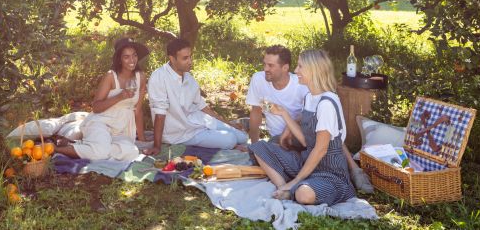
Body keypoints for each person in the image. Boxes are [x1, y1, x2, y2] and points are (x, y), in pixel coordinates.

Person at [249, 49, 356, 206]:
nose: (296, 70)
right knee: (258, 147)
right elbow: (306, 143)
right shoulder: (309, 97)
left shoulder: (327, 103)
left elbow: (320, 150)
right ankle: (282, 188)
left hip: (330, 172)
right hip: (306, 161)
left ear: (313, 70)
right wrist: (283, 113)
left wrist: (297, 180)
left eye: (300, 67)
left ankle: (292, 187)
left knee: (303, 194)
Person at [143, 37, 248, 155]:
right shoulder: (159, 77)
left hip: (198, 120)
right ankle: (228, 142)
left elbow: (203, 107)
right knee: (231, 139)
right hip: (179, 133)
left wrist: (229, 123)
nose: (190, 61)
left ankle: (227, 137)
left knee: (243, 137)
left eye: (190, 56)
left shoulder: (189, 78)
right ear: (172, 59)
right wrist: (157, 146)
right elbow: (160, 114)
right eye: (185, 58)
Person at [55, 37, 148, 161]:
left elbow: (138, 110)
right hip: (101, 123)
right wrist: (119, 97)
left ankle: (79, 146)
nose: (132, 60)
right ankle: (54, 148)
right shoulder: (111, 76)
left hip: (122, 129)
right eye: (126, 57)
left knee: (132, 152)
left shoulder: (140, 77)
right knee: (101, 152)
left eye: (134, 55)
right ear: (119, 60)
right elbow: (96, 107)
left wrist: (141, 138)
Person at [246, 45, 308, 149]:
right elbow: (256, 111)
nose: (265, 69)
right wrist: (254, 145)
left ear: (285, 68)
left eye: (271, 65)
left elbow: (309, 116)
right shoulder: (258, 79)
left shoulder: (301, 86)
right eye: (264, 64)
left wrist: (288, 129)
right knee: (258, 153)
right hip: (274, 140)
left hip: (298, 139)